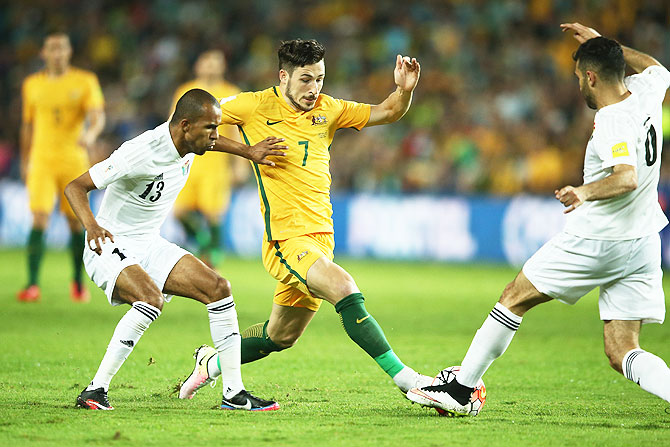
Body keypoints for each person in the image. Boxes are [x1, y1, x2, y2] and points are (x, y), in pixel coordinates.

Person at [407, 23, 670, 416]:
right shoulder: (648, 93)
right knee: (623, 350)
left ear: (592, 77)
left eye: (580, 76)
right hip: (643, 240)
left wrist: (583, 192)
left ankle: (462, 390)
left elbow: (626, 178)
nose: (578, 84)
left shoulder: (613, 119)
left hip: (599, 238)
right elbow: (656, 67)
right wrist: (607, 45)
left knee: (513, 298)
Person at [178, 39, 432, 401]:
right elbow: (193, 123)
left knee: (279, 337)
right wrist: (247, 151)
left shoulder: (330, 109)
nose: (314, 89)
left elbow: (388, 112)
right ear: (284, 76)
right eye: (306, 80)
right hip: (286, 240)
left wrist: (403, 91)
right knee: (344, 287)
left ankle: (210, 365)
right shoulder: (252, 105)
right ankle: (410, 381)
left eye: (320, 79)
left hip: (321, 239)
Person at [64, 88, 286, 411]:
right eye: (210, 128)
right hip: (108, 243)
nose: (215, 135)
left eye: (216, 127)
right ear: (185, 126)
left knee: (219, 288)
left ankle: (234, 394)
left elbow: (213, 142)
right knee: (149, 298)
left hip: (149, 244)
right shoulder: (139, 152)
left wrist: (248, 151)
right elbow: (75, 187)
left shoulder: (190, 143)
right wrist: (93, 226)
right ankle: (95, 390)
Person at [18, 31, 106, 302]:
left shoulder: (85, 80)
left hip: (73, 159)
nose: (57, 53)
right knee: (39, 217)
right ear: (44, 53)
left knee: (73, 221)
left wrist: (90, 135)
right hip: (41, 160)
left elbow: (97, 116)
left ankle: (78, 283)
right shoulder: (32, 84)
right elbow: (28, 125)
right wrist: (25, 159)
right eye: (52, 49)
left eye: (62, 48)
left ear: (69, 52)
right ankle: (32, 285)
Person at [171, 50, 247, 267]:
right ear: (198, 66)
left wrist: (240, 164)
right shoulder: (185, 91)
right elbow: (173, 124)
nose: (211, 67)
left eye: (216, 63)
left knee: (213, 214)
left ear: (223, 67)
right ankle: (205, 244)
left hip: (216, 164)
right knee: (179, 212)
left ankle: (213, 260)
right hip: (188, 163)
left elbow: (238, 132)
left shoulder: (231, 92)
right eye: (207, 62)